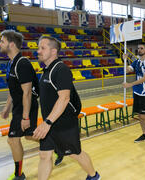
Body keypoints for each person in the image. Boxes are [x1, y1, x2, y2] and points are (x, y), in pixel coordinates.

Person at [33, 36, 100, 180]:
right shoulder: (47, 70)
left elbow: (64, 98)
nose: (38, 51)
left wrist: (47, 123)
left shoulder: (61, 69)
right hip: (50, 122)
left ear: (53, 51)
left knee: (74, 153)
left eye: (42, 48)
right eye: (38, 48)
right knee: (44, 155)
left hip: (63, 123)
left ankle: (94, 176)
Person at [0, 30, 39, 180]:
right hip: (19, 106)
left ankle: (19, 175)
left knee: (13, 139)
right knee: (29, 136)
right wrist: (7, 107)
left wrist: (25, 117)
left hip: (26, 106)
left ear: (11, 44)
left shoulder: (22, 64)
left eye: (2, 41)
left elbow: (27, 93)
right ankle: (53, 144)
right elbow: (13, 90)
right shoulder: (11, 64)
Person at [123, 42, 145, 143]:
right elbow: (127, 70)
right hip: (137, 92)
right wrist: (124, 60)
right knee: (139, 114)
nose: (139, 50)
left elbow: (144, 78)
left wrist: (130, 84)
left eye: (141, 48)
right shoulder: (137, 61)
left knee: (143, 115)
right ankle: (144, 134)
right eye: (138, 48)